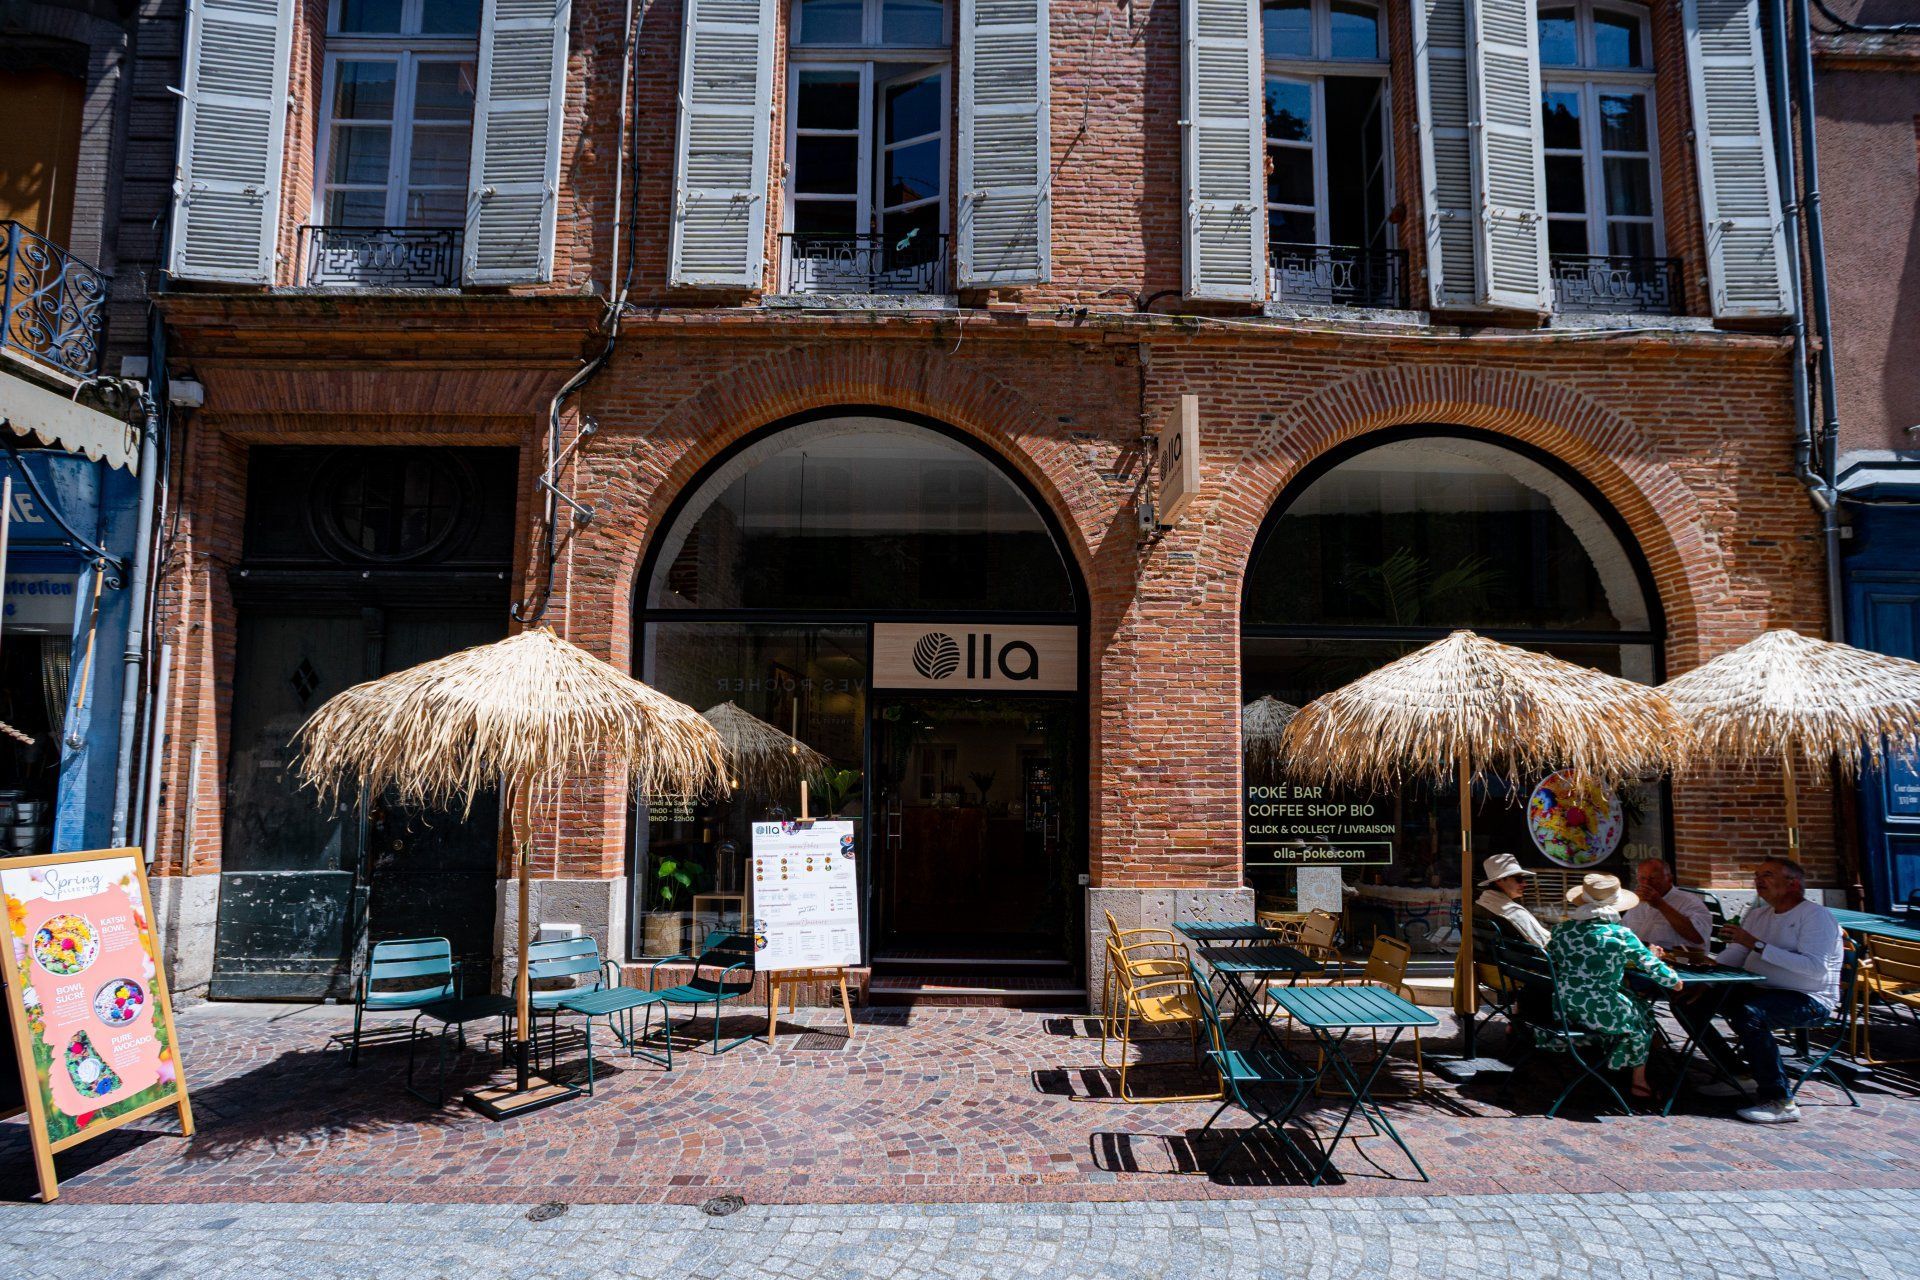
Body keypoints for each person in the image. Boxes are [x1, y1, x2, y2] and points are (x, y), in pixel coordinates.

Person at [1677, 857, 1845, 1125]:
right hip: (1759, 988)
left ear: (1793, 883)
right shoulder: (1758, 914)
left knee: (1750, 1014)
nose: (1759, 881)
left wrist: (1758, 946)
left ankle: (1780, 1100)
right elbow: (1737, 952)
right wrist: (1707, 980)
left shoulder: (1815, 917)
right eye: (1757, 875)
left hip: (1807, 997)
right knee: (1688, 1001)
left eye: (1767, 875)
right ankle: (1736, 1073)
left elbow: (1815, 968)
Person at [1547, 872, 1683, 1101]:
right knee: (1643, 1020)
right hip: (1601, 1010)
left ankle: (1613, 1066)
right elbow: (1653, 968)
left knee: (1637, 1007)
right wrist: (1675, 982)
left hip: (1565, 1006)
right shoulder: (1620, 934)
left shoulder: (1562, 931)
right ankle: (1637, 1081)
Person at [1622, 858, 1712, 952]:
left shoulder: (1689, 902)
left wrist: (1661, 905)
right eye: (1642, 878)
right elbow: (1624, 930)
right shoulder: (1637, 901)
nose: (1647, 883)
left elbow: (1698, 937)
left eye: (1653, 878)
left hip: (1676, 960)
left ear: (1669, 878)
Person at [1474, 853, 1552, 949]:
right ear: (1499, 880)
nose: (1524, 884)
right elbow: (1542, 945)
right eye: (1519, 879)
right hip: (1522, 961)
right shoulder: (1513, 912)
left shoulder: (1481, 904)